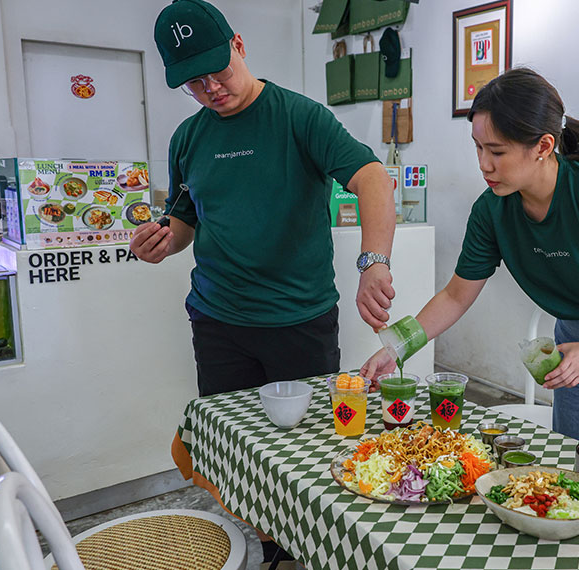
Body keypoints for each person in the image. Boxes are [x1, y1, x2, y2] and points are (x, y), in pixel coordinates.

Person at [136, 0, 396, 566]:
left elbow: (373, 179)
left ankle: (308, 546)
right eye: (193, 82)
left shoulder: (300, 117)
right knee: (238, 450)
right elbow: (184, 220)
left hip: (298, 320)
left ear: (239, 45)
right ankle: (272, 542)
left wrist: (374, 259)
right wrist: (163, 241)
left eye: (217, 71)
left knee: (304, 449)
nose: (210, 88)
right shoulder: (187, 138)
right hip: (218, 320)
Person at [362, 68, 579, 487]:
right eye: (478, 148)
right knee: (578, 470)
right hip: (574, 337)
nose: (484, 164)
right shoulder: (492, 210)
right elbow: (455, 295)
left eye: (497, 152)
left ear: (543, 146)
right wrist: (397, 347)